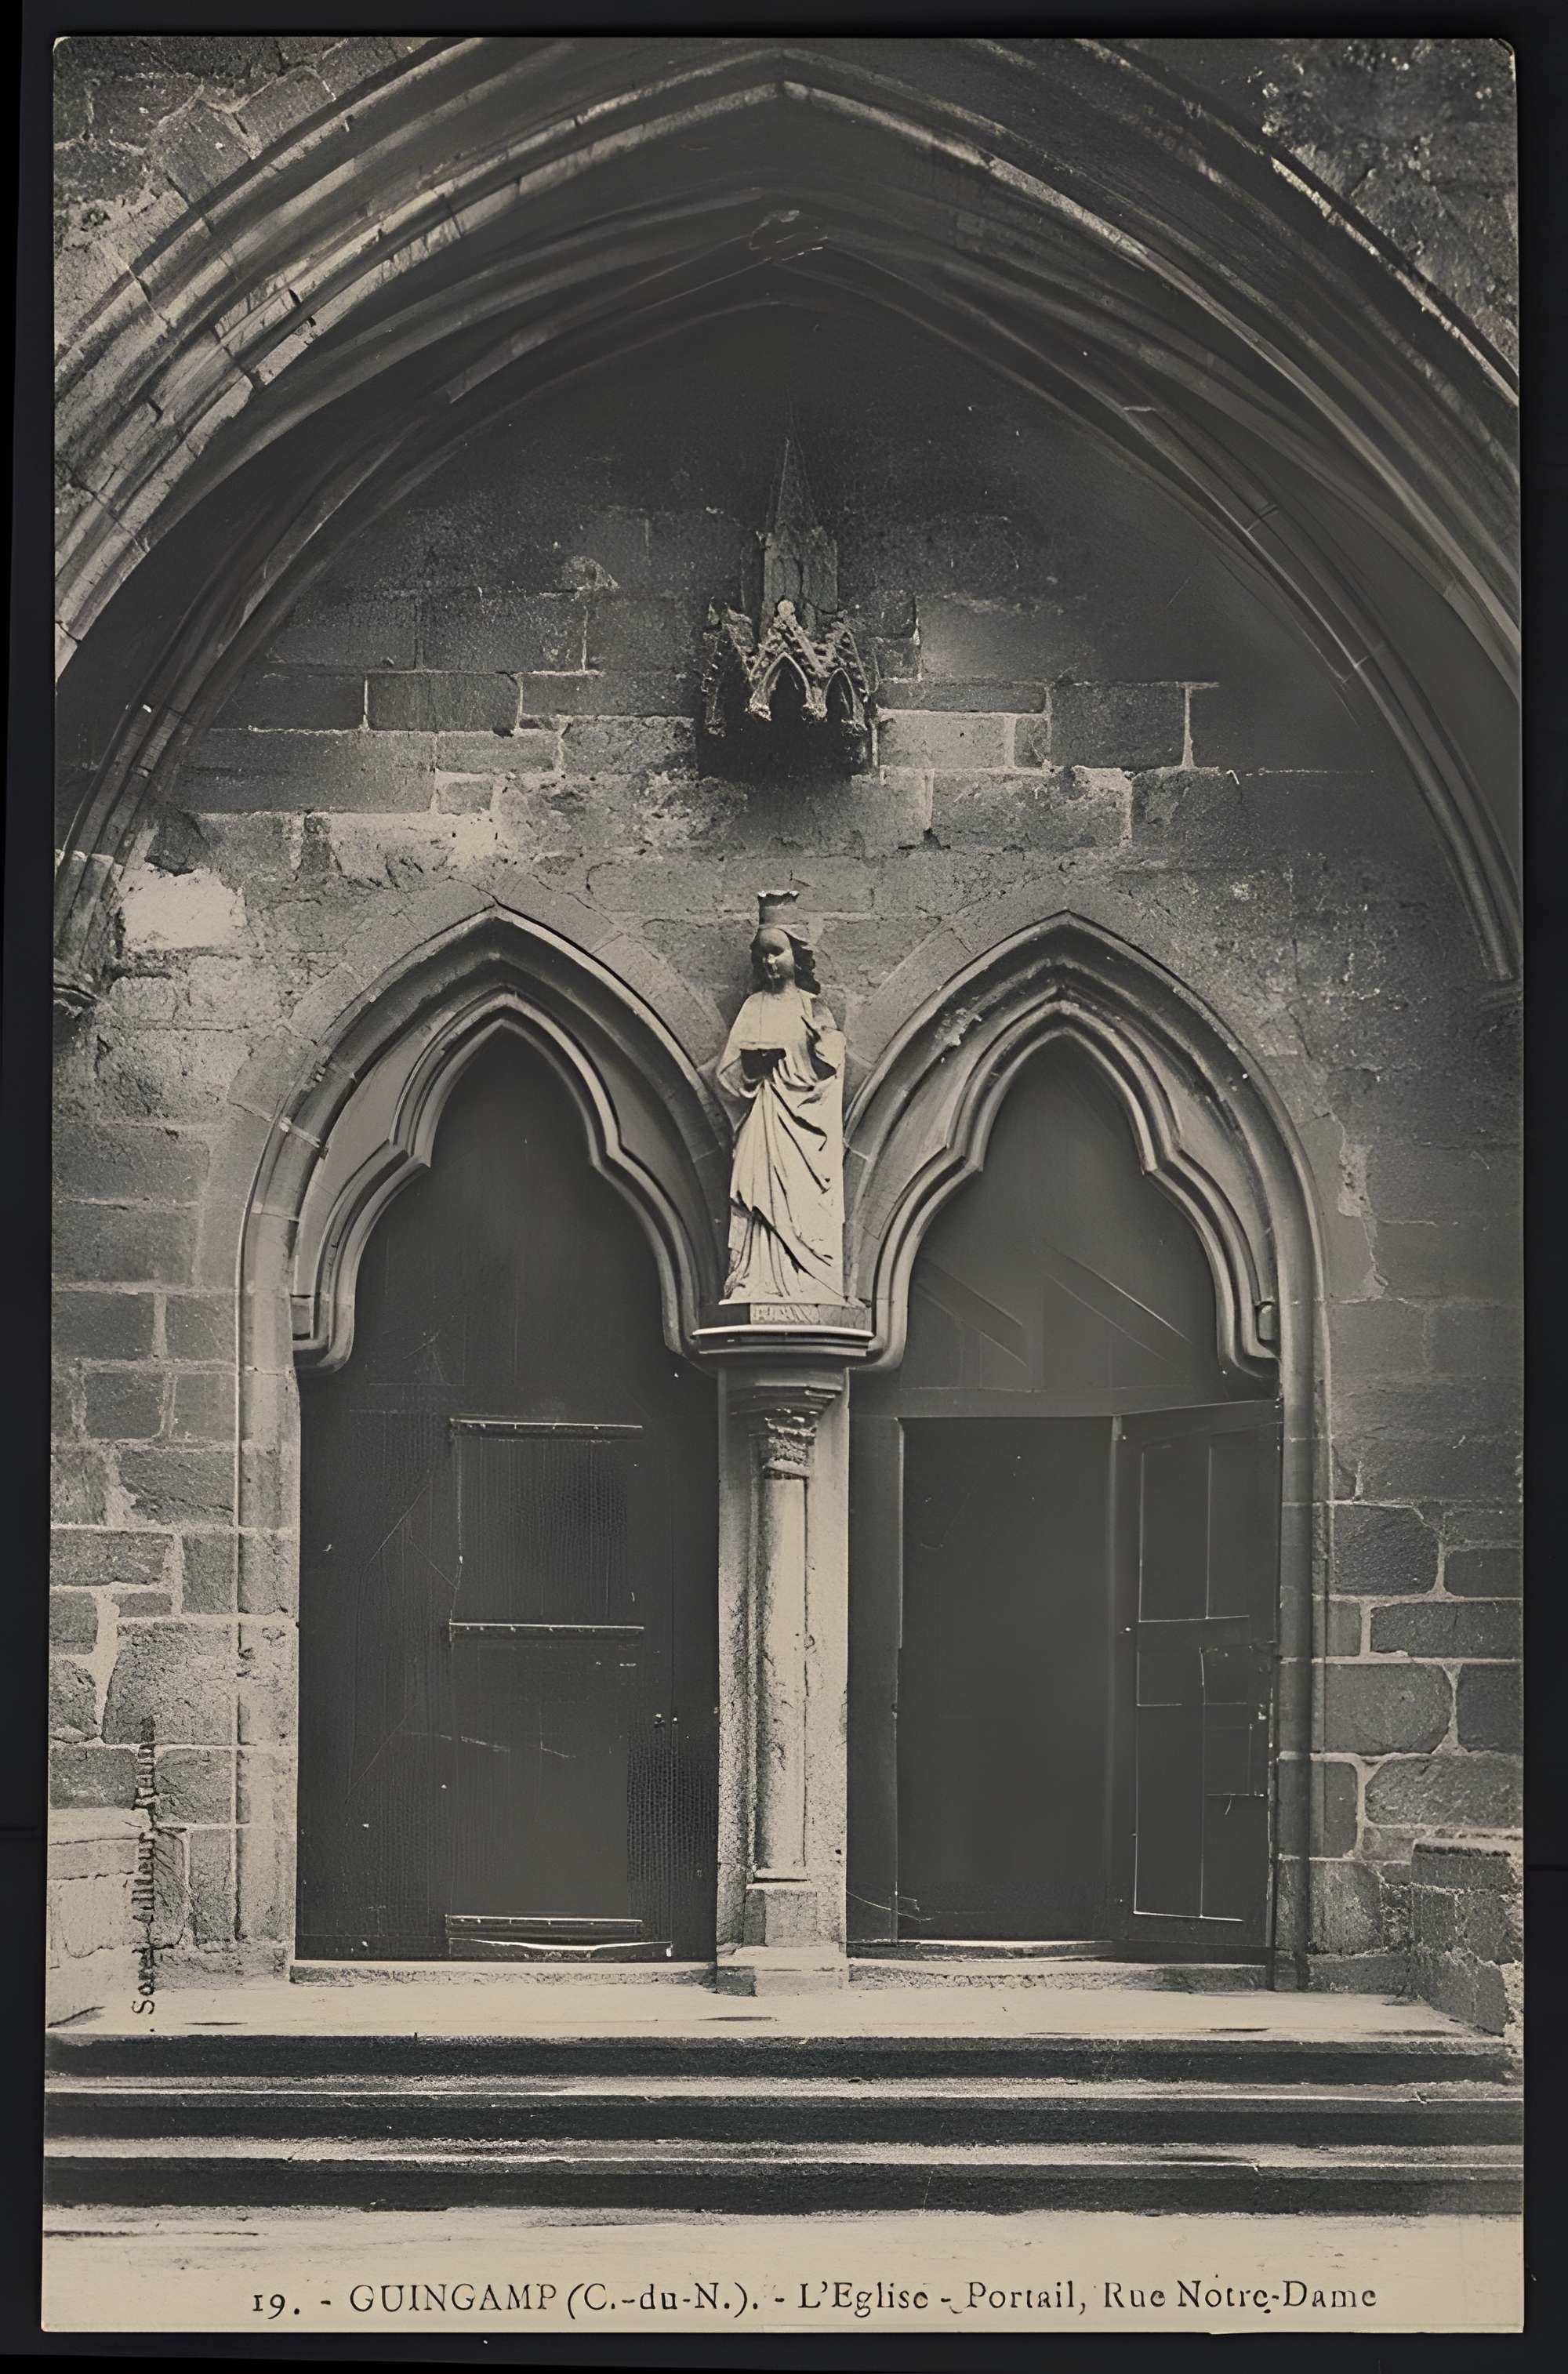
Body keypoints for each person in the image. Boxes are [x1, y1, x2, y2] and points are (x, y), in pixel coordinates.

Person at [716, 899, 846, 1302]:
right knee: (759, 1196)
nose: (769, 962)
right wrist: (754, 1067)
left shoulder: (812, 1006)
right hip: (764, 1118)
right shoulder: (753, 1007)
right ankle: (756, 1278)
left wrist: (824, 1044)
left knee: (801, 1205)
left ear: (797, 956)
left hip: (803, 1133)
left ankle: (807, 1280)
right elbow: (726, 1075)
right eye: (762, 955)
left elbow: (830, 1069)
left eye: (777, 952)